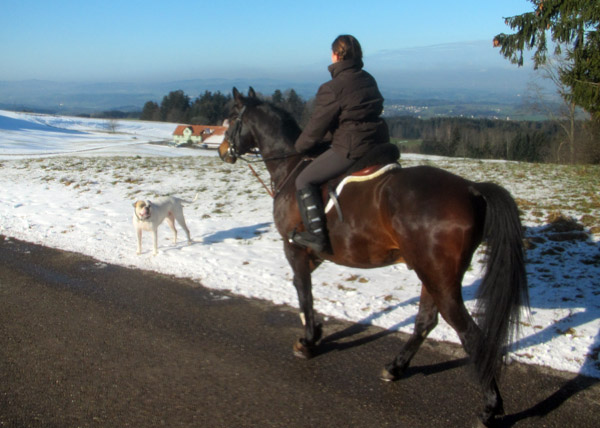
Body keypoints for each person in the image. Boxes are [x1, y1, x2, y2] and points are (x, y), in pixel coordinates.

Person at [290, 34, 390, 253]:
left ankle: (316, 236)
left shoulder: (332, 88)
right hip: (379, 142)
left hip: (352, 147)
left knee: (304, 179)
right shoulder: (368, 78)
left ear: (336, 55)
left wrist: (299, 148)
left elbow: (316, 128)